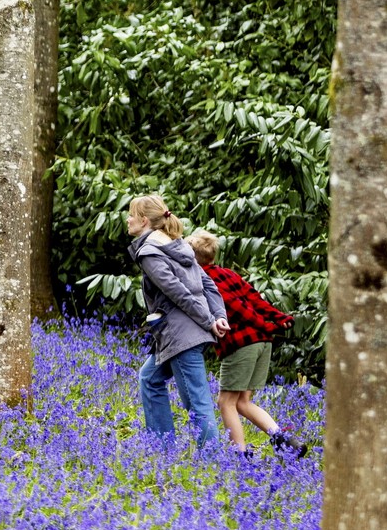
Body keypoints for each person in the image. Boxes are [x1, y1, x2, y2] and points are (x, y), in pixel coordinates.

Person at [185, 230, 307, 457]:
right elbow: (254, 298)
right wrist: (278, 317)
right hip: (263, 343)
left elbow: (237, 307)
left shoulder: (203, 280)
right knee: (242, 402)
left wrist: (268, 325)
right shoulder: (228, 274)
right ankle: (286, 441)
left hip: (241, 344)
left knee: (225, 402)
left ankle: (239, 455)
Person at [126, 195, 228, 449]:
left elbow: (178, 293)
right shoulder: (177, 244)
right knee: (149, 379)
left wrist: (211, 320)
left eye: (131, 215)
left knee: (196, 400)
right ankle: (163, 448)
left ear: (144, 220)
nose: (127, 220)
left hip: (181, 334)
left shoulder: (149, 253)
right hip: (186, 332)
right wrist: (218, 316)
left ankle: (212, 460)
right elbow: (208, 285)